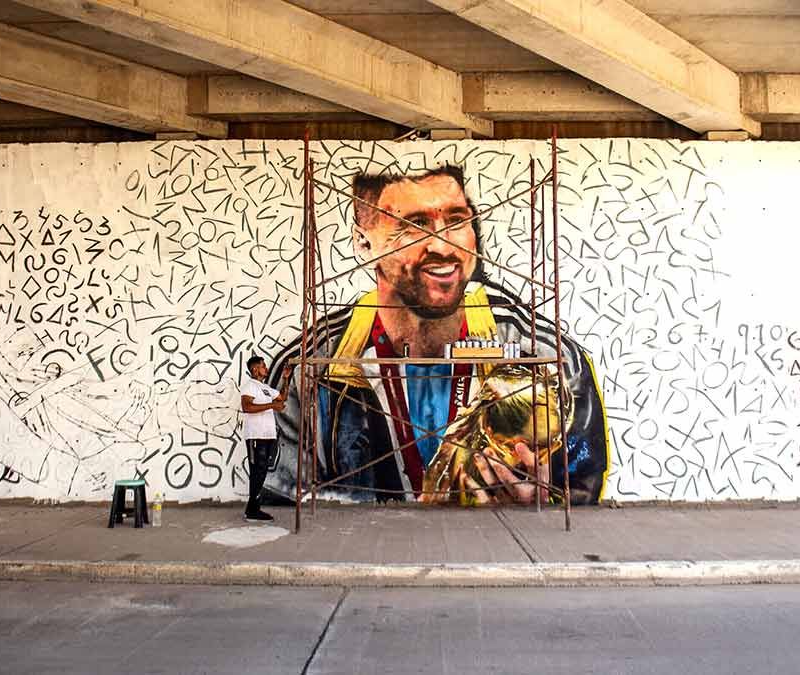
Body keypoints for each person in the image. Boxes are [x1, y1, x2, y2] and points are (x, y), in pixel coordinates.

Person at [269, 165, 610, 505]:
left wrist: (543, 504)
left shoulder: (546, 356)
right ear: (364, 242)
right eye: (414, 225)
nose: (443, 246)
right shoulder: (305, 370)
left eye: (457, 221)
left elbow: (583, 492)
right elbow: (283, 500)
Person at [239, 355, 290, 522]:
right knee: (257, 472)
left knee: (261, 472)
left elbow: (282, 397)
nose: (266, 368)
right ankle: (252, 511)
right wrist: (272, 405)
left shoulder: (265, 388)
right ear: (255, 369)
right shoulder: (250, 386)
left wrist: (286, 379)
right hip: (256, 436)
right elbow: (246, 407)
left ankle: (252, 509)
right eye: (263, 366)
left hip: (268, 436)